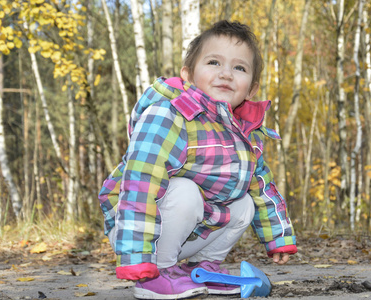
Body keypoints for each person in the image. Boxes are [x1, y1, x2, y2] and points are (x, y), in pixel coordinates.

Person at [98, 20, 297, 300]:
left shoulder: (244, 132)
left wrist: (279, 238)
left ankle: (201, 270)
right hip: (134, 228)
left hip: (187, 231)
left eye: (239, 68)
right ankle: (156, 274)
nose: (226, 74)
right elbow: (141, 183)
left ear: (251, 89)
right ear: (189, 75)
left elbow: (262, 186)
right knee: (185, 190)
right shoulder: (168, 115)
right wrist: (136, 256)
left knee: (244, 202)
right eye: (214, 62)